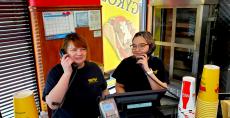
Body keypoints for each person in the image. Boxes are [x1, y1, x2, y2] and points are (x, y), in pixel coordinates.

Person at [42, 33, 109, 118]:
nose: (79, 53)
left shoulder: (94, 68)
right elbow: (53, 105)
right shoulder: (55, 72)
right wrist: (67, 73)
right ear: (64, 53)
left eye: (83, 49)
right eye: (74, 50)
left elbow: (104, 91)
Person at [112, 31, 169, 105]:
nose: (137, 49)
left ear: (150, 46)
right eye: (134, 46)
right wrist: (127, 102)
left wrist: (147, 70)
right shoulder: (126, 63)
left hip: (152, 105)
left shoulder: (157, 62)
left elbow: (160, 91)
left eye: (142, 45)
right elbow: (119, 86)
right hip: (130, 105)